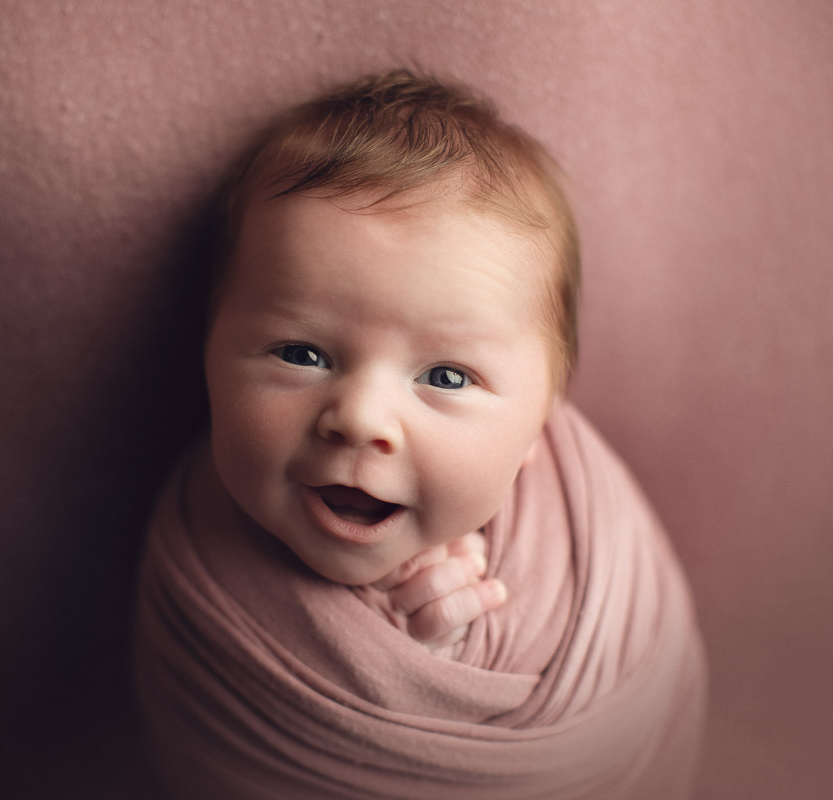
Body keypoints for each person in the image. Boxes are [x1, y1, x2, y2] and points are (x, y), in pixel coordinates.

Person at [134, 70, 706, 799]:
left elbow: (636, 710)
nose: (363, 419)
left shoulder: (589, 556)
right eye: (302, 355)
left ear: (540, 422)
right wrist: (408, 670)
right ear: (208, 353)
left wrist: (455, 658)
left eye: (446, 377)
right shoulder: (198, 572)